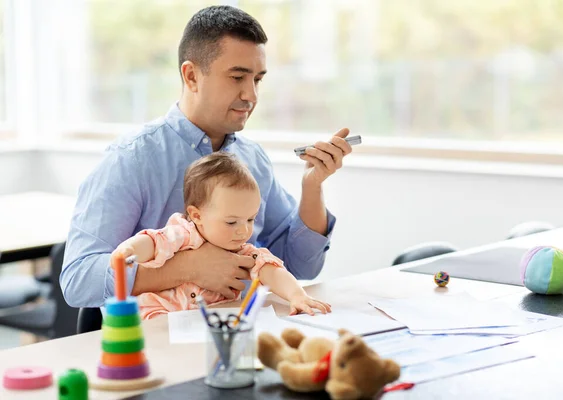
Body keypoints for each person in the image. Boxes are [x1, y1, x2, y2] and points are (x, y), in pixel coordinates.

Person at [61, 5, 352, 308]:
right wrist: (187, 267)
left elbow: (302, 266)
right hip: (155, 340)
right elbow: (78, 281)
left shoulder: (253, 160)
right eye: (237, 77)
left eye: (257, 80)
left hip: (237, 329)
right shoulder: (131, 160)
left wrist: (312, 187)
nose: (251, 95)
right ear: (191, 76)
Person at [114, 152, 331, 319]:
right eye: (231, 222)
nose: (243, 230)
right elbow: (152, 241)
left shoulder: (241, 250)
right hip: (156, 313)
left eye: (250, 219)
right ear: (196, 215)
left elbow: (270, 271)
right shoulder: (183, 233)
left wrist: (296, 295)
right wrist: (129, 251)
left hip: (203, 323)